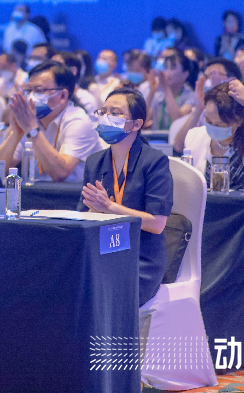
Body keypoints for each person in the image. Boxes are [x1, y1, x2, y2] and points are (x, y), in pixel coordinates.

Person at [78, 88, 172, 338]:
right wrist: (93, 209)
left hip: (140, 259)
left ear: (136, 124)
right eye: (103, 111)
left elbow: (157, 223)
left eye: (115, 112)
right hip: (103, 253)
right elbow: (83, 213)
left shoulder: (155, 161)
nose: (106, 117)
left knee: (98, 292)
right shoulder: (95, 161)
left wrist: (110, 208)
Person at [0, 61, 101, 182]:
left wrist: (32, 129)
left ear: (63, 96)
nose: (31, 96)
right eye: (29, 90)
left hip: (73, 193)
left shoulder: (78, 121)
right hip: (35, 192)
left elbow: (60, 174)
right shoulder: (31, 120)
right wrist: (16, 134)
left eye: (39, 91)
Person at [182, 81, 244, 192]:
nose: (213, 127)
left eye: (219, 124)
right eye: (208, 121)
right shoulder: (195, 136)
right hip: (209, 203)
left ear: (238, 121)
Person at [148, 49, 198, 131]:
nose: (167, 72)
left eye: (172, 68)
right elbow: (144, 120)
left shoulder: (192, 97)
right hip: (154, 138)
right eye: (166, 67)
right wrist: (151, 92)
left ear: (185, 74)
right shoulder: (159, 96)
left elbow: (179, 122)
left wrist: (166, 90)